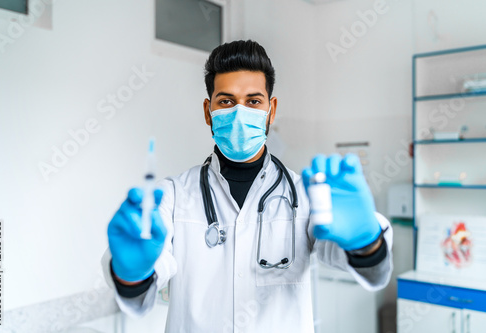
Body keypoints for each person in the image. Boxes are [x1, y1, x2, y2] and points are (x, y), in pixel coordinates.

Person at [101, 39, 393, 332]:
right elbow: (142, 286)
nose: (239, 113)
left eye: (253, 101)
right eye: (226, 101)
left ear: (271, 110)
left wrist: (366, 243)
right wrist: (131, 274)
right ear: (208, 111)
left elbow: (368, 272)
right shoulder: (173, 196)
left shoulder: (304, 194)